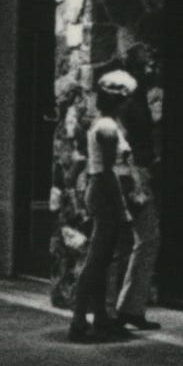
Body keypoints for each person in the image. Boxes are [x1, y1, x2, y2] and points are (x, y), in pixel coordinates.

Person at [66, 72, 137, 341]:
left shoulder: (104, 124)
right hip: (104, 192)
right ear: (120, 100)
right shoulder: (107, 128)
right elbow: (107, 172)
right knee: (97, 259)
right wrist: (123, 209)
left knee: (103, 258)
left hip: (100, 189)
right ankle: (79, 318)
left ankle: (98, 316)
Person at [111, 71, 163, 333]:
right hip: (135, 176)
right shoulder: (137, 109)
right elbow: (138, 148)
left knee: (124, 242)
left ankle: (118, 308)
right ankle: (127, 307)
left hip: (121, 176)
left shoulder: (116, 112)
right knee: (147, 237)